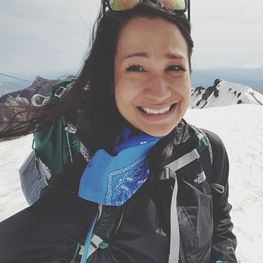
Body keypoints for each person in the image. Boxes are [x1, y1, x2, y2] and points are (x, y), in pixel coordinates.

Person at [0, 0, 237, 262]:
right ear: (110, 78)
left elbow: (221, 222)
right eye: (136, 68)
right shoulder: (88, 183)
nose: (159, 91)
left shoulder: (208, 150)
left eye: (174, 67)